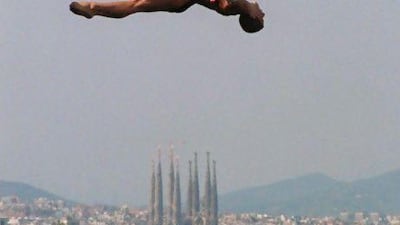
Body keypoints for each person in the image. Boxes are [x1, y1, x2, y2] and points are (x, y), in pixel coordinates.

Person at [69, 0, 265, 33]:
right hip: (180, 4)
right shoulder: (246, 6)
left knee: (136, 5)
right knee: (135, 5)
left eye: (262, 17)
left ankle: (93, 8)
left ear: (254, 18)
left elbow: (226, 5)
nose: (263, 13)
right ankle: (92, 8)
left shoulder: (242, 7)